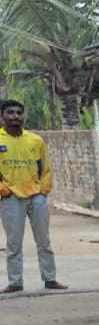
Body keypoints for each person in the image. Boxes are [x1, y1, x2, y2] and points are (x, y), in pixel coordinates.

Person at [0, 99, 64, 293]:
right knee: (13, 243)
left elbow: (45, 168)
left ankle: (50, 279)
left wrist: (43, 191)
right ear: (2, 117)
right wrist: (3, 190)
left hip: (36, 196)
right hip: (10, 198)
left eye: (19, 113)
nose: (15, 117)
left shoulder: (35, 140)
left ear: (23, 116)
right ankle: (15, 282)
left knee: (43, 240)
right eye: (10, 113)